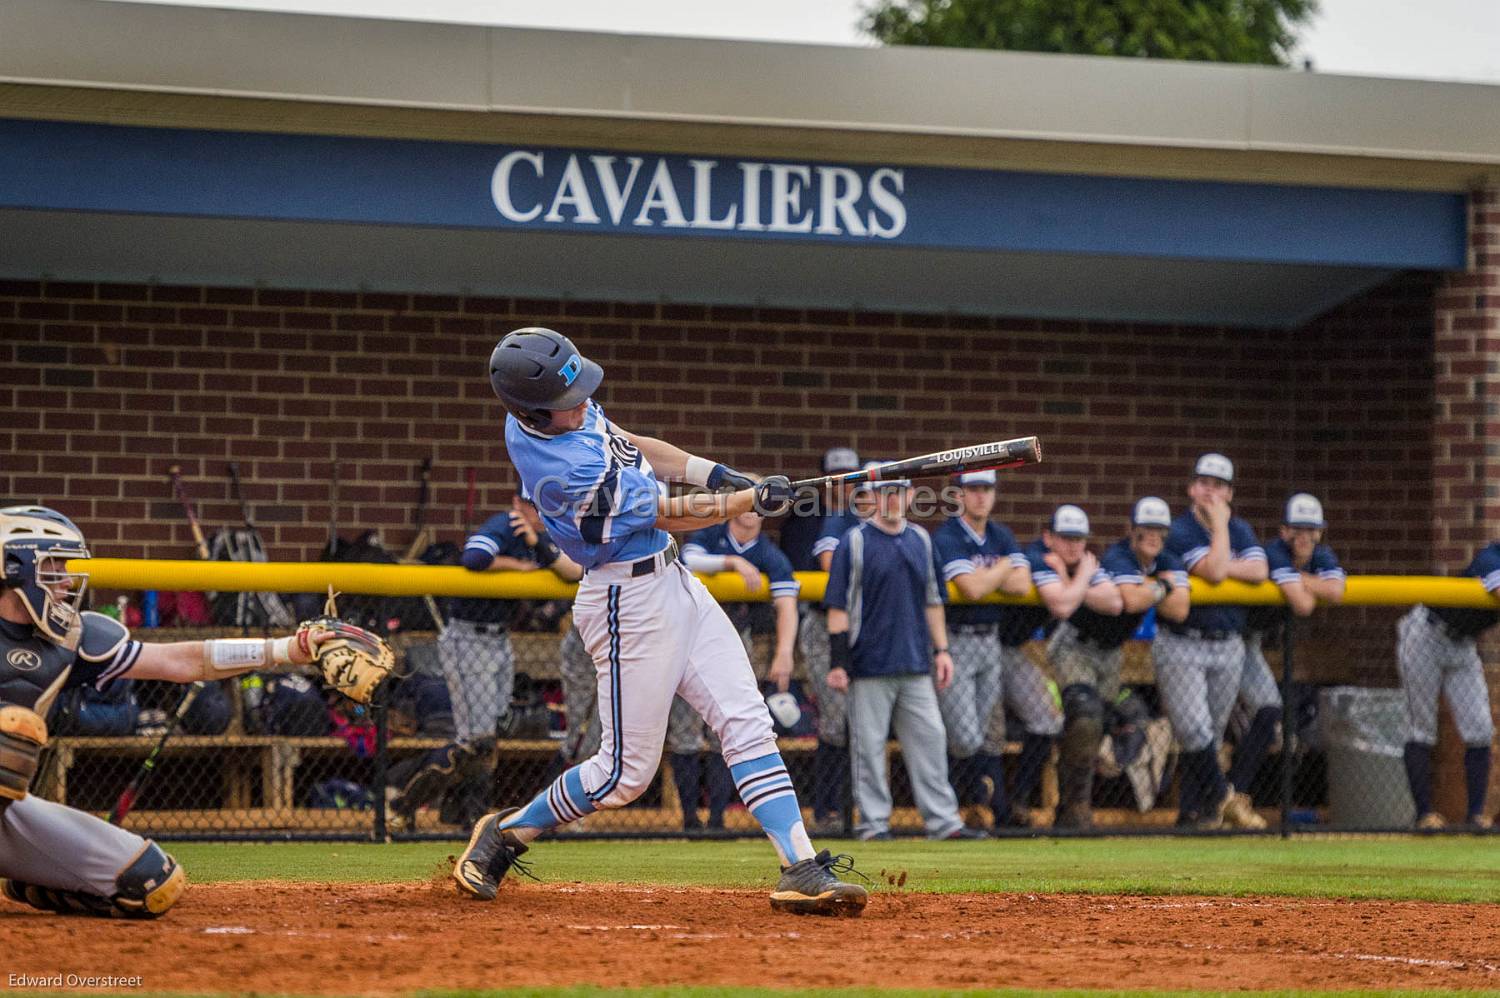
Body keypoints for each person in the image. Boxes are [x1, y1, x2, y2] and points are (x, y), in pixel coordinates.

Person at [460, 327, 866, 917]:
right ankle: (507, 832)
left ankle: (799, 866)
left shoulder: (561, 411)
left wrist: (722, 475)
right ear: (533, 412)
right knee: (623, 776)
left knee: (747, 719)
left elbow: (631, 443)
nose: (584, 405)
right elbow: (671, 512)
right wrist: (747, 502)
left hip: (674, 583)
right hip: (626, 603)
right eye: (569, 401)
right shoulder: (562, 466)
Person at [0, 505, 334, 918]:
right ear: (13, 566)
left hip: (8, 813)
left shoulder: (69, 637)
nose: (67, 581)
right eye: (53, 566)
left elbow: (179, 662)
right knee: (9, 731)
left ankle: (32, 876)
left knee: (150, 882)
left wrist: (285, 650)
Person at [395, 497, 581, 827]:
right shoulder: (503, 525)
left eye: (545, 506)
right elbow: (474, 558)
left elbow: (573, 571)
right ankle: (411, 802)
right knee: (476, 740)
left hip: (499, 639)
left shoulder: (542, 535)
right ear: (517, 504)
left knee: (484, 738)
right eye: (534, 506)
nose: (541, 513)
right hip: (469, 637)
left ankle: (453, 809)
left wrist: (538, 544)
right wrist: (518, 564)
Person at [824, 474, 985, 841]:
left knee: (931, 740)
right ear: (873, 498)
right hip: (868, 665)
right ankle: (873, 825)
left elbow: (933, 600)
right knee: (868, 749)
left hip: (915, 663)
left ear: (910, 496)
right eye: (885, 493)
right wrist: (839, 662)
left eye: (898, 493)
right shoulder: (855, 541)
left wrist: (942, 651)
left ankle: (944, 823)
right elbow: (838, 607)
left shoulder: (921, 540)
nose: (892, 500)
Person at [1051, 498, 1188, 829]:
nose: (1153, 536)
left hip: (1112, 653)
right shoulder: (1119, 556)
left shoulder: (1168, 559)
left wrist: (1151, 590)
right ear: (1132, 530)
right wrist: (1165, 585)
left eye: (1159, 530)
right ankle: (1076, 808)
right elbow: (1129, 601)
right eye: (1146, 529)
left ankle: (1068, 807)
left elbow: (1180, 609)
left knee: (1098, 727)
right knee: (1085, 717)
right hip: (1076, 644)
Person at [669, 511, 800, 831]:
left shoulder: (768, 552)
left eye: (759, 504)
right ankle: (689, 818)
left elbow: (787, 603)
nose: (752, 511)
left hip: (734, 641)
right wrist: (732, 563)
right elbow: (689, 557)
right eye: (747, 501)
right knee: (685, 731)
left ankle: (716, 819)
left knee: (726, 732)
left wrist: (784, 653)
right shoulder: (711, 535)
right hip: (688, 636)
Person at [1161, 453, 1268, 829]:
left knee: (1211, 734)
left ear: (1230, 492)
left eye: (1219, 485)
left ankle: (1195, 814)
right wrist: (1221, 530)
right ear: (1192, 488)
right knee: (1194, 728)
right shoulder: (1180, 531)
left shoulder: (1241, 530)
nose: (1211, 491)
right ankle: (1224, 799)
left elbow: (1259, 570)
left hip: (1228, 643)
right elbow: (1218, 570)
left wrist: (1224, 557)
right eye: (1204, 483)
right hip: (1183, 641)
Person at [1228, 492, 1346, 829]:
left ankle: (1234, 793)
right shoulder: (1274, 553)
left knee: (1269, 712)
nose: (1305, 537)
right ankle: (1214, 800)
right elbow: (1304, 605)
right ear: (1284, 531)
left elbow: (1336, 592)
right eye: (1298, 529)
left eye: (1311, 530)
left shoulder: (1320, 554)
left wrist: (1306, 581)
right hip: (1227, 634)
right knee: (1213, 723)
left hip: (1247, 643)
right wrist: (1313, 584)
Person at [929, 470, 1032, 820]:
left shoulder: (1000, 534)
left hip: (990, 639)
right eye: (972, 489)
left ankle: (981, 808)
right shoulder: (947, 536)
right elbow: (971, 590)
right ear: (958, 495)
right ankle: (962, 803)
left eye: (986, 489)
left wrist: (991, 576)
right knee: (964, 734)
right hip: (956, 640)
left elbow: (1022, 585)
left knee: (986, 730)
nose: (980, 496)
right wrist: (1003, 568)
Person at [1397, 542, 1498, 830]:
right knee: (1421, 727)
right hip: (1426, 633)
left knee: (1480, 728)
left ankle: (1476, 815)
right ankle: (1425, 815)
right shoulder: (1492, 557)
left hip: (1463, 644)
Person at [796, 446, 863, 834]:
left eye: (852, 478)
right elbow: (826, 565)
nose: (844, 486)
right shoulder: (826, 519)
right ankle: (826, 808)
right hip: (823, 625)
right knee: (836, 720)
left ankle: (847, 806)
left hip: (861, 628)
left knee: (858, 720)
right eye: (837, 478)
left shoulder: (865, 519)